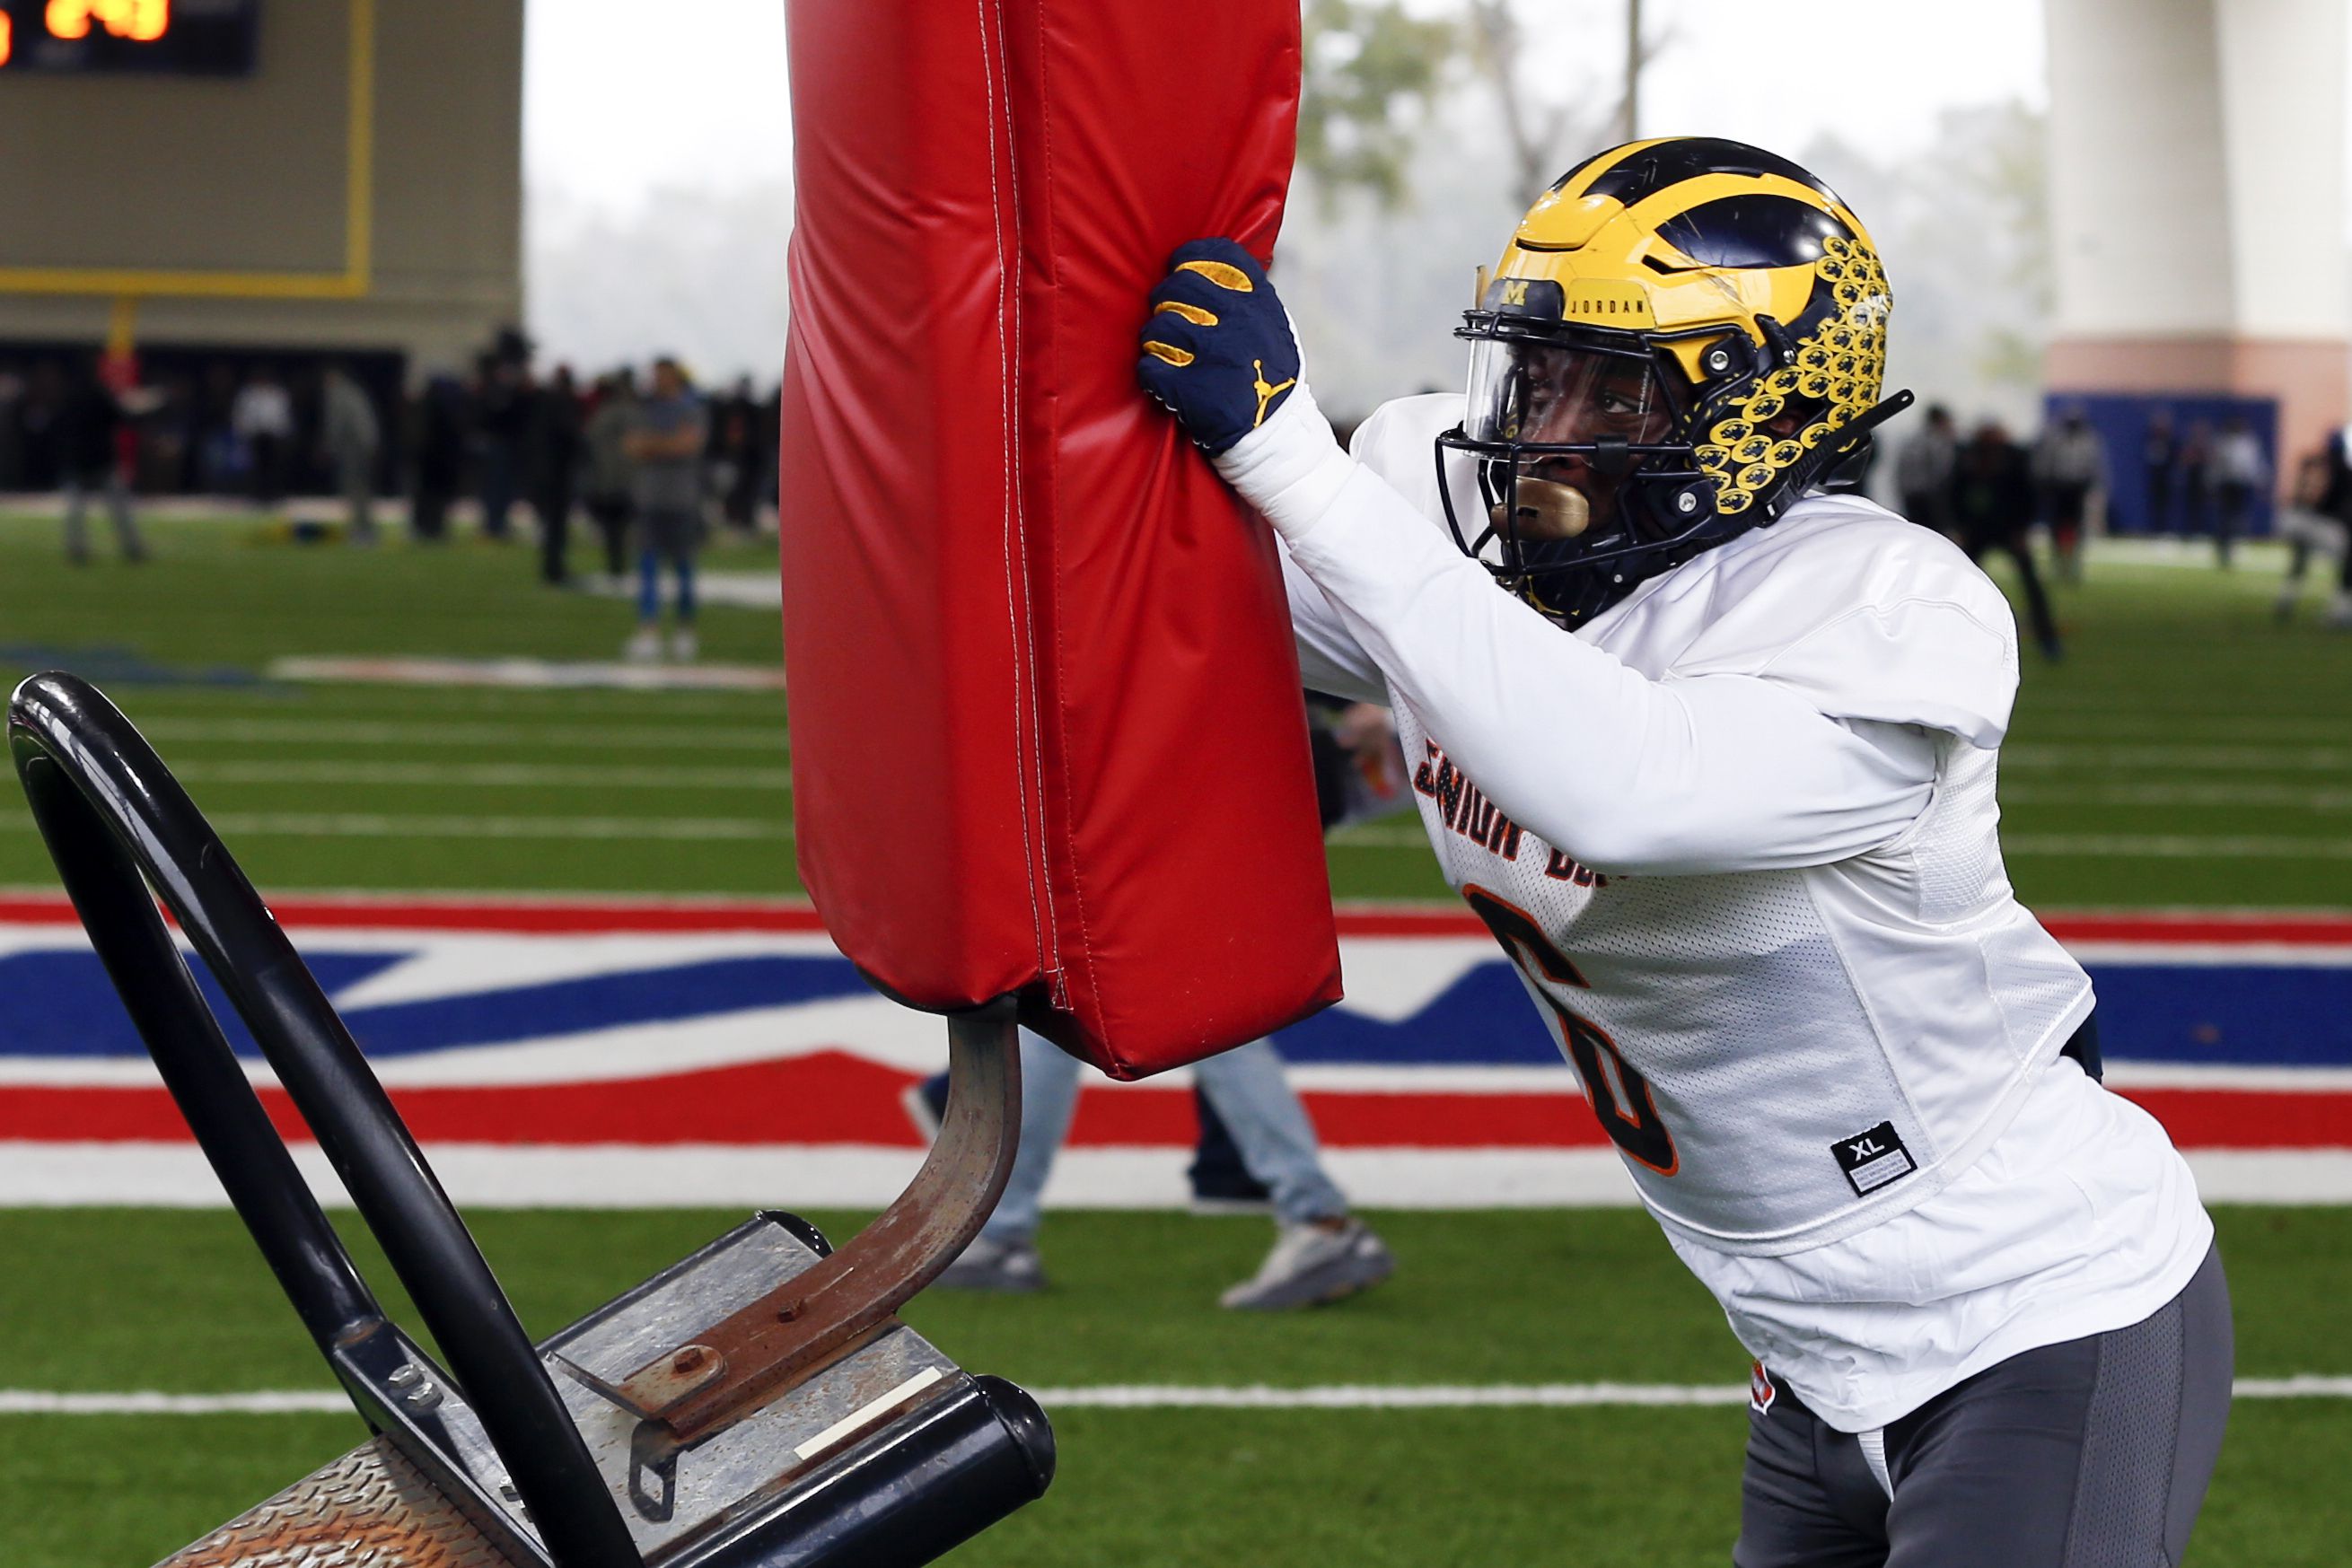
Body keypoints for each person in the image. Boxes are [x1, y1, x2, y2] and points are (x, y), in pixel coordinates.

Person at [1134, 137, 2227, 1567]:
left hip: (2034, 1304)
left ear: (1769, 407)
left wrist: (1290, 459)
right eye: (1540, 371)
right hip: (1803, 1349)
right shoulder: (1469, 545)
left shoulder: (1881, 601)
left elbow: (1627, 782)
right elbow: (1203, 580)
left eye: (1615, 384)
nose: (1549, 425)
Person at [923, 701, 1407, 1308]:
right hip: (1192, 757)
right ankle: (999, 1227)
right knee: (1101, 992)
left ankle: (1316, 1215)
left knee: (1095, 989)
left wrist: (1366, 708)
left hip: (1181, 762)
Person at [1950, 420, 2063, 661]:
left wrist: (2022, 528)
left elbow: (2028, 495)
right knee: (1960, 581)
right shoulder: (1969, 458)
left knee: (2032, 586)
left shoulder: (2015, 459)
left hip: (2009, 529)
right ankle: (1951, 634)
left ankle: (2049, 639)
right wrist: (1961, 525)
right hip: (1978, 529)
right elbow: (1955, 492)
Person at [624, 355, 710, 661]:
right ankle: (649, 629)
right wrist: (669, 444)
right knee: (648, 568)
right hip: (650, 499)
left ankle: (685, 630)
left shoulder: (690, 409)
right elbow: (633, 447)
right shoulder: (643, 410)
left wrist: (654, 445)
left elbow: (689, 445)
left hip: (681, 500)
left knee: (684, 569)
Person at [57, 355, 147, 565]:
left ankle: (77, 549)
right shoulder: (100, 395)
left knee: (75, 510)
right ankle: (132, 547)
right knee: (119, 509)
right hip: (101, 460)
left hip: (77, 459)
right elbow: (124, 418)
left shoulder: (70, 397)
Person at [2272, 445, 2348, 622]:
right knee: (2345, 555)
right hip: (2305, 522)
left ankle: (2286, 598)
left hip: (2298, 522)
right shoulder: (2325, 475)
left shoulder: (2320, 473)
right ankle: (2342, 607)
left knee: (2299, 562)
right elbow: (2314, 501)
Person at [528, 364, 586, 585]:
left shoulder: (547, 401)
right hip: (556, 471)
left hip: (547, 469)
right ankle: (555, 569)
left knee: (553, 523)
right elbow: (570, 434)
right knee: (556, 524)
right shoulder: (562, 402)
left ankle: (553, 568)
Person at [2032, 404, 2104, 581]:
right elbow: (2046, 462)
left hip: (2077, 488)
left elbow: (2095, 466)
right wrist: (2044, 483)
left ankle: (2074, 564)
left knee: (2077, 528)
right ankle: (2058, 563)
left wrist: (2094, 485)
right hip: (2059, 487)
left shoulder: (2088, 440)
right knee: (2056, 527)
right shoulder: (2056, 439)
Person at [582, 370, 640, 582]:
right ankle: (618, 566)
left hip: (612, 477)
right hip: (624, 478)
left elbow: (591, 437)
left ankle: (616, 565)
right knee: (621, 526)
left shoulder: (606, 412)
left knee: (615, 527)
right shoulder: (631, 411)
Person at [320, 363, 382, 546]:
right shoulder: (354, 392)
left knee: (354, 489)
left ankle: (361, 531)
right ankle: (366, 529)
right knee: (362, 489)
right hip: (366, 445)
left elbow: (336, 423)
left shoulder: (339, 394)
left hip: (354, 446)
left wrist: (329, 447)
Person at [2208, 414, 2266, 569]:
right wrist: (2212, 484)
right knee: (2226, 518)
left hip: (2242, 484)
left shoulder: (2249, 443)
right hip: (2227, 484)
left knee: (2239, 517)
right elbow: (2216, 467)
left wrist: (2260, 481)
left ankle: (2234, 546)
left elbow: (2255, 465)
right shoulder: (2222, 443)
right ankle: (2223, 549)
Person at [231, 366, 294, 508]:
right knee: (256, 466)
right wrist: (241, 432)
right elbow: (241, 415)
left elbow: (283, 414)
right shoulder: (248, 394)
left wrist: (283, 433)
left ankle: (273, 494)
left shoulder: (277, 394)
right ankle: (257, 494)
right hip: (255, 435)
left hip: (273, 436)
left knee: (273, 466)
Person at [1891, 402, 1954, 538]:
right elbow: (1941, 473)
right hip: (1930, 499)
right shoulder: (1938, 442)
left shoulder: (1913, 441)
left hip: (1913, 496)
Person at [2142, 407, 2178, 534]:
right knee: (2154, 506)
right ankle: (2154, 530)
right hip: (2155, 477)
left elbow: (2173, 458)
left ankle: (2165, 530)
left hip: (2166, 478)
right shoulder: (2151, 439)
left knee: (2166, 506)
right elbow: (2150, 457)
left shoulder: (2171, 441)